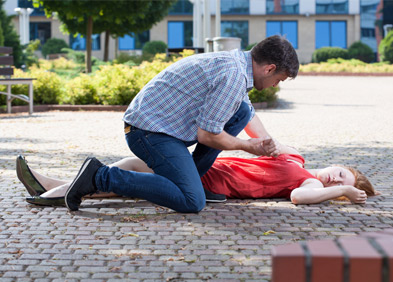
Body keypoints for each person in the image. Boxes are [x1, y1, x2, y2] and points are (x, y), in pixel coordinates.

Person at [62, 35, 299, 213]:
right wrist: (249, 146)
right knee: (192, 201)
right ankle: (99, 176)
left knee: (242, 110)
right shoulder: (233, 76)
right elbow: (208, 135)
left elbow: (245, 114)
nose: (276, 85)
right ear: (269, 68)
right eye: (279, 79)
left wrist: (271, 145)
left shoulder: (238, 65)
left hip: (165, 129)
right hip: (147, 131)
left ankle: (191, 179)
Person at [17, 140, 377, 207]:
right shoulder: (296, 157)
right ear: (338, 164)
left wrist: (339, 194)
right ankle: (51, 187)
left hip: (208, 182)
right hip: (205, 165)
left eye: (341, 183)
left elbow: (300, 198)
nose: (334, 178)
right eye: (341, 174)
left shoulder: (308, 182)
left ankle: (51, 191)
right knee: (127, 168)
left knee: (127, 179)